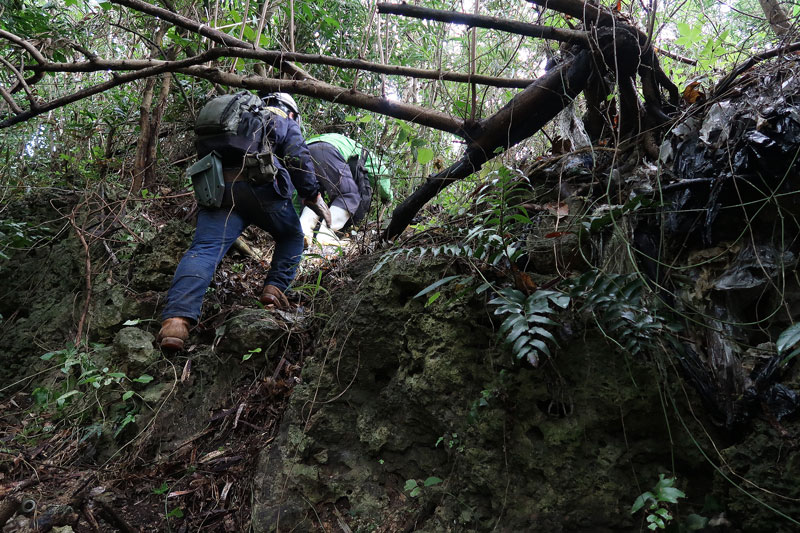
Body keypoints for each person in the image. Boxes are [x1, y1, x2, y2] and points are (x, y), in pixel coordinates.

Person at [157, 92, 330, 352]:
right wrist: (312, 195)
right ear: (292, 112)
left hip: (218, 191)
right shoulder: (284, 120)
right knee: (292, 237)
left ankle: (176, 322)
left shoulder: (237, 118)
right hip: (261, 190)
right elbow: (297, 158)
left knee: (204, 250)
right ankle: (273, 292)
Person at [299, 132, 393, 246]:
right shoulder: (368, 156)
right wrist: (387, 197)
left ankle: (303, 231)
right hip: (328, 150)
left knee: (312, 194)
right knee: (349, 195)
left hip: (303, 152)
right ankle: (326, 235)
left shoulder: (345, 143)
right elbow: (382, 176)